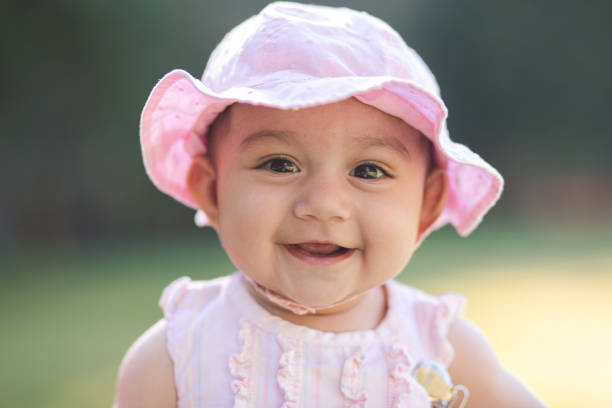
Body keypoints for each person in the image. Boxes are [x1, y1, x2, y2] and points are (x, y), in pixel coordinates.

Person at [114, 2, 547, 407]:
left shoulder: (446, 349)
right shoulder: (174, 358)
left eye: (368, 171)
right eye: (279, 164)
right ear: (212, 193)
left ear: (427, 203)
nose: (323, 205)